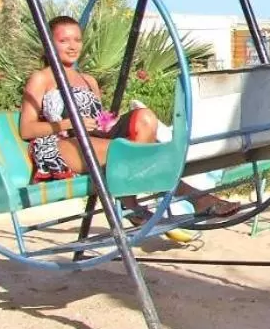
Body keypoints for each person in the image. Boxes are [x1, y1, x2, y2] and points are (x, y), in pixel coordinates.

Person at [19, 16, 237, 221]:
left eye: (77, 39)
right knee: (124, 152)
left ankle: (130, 198)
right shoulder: (41, 78)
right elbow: (26, 129)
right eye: (63, 40)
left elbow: (99, 119)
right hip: (61, 144)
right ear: (49, 44)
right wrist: (70, 123)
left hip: (95, 139)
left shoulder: (88, 81)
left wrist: (109, 122)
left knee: (144, 118)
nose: (73, 46)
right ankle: (194, 197)